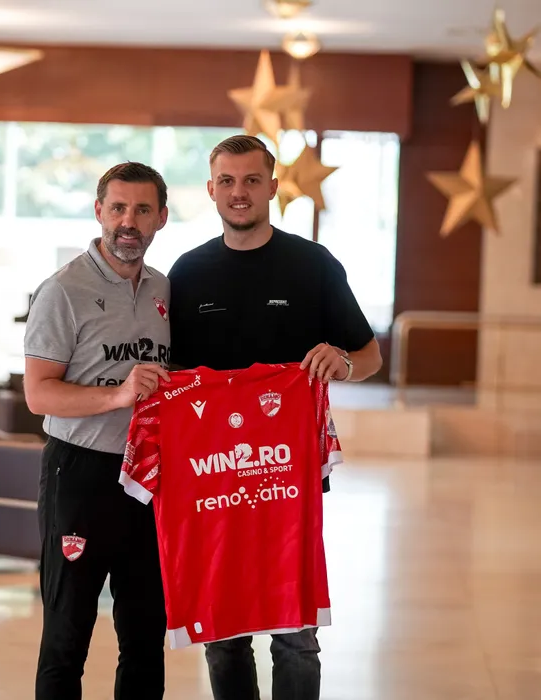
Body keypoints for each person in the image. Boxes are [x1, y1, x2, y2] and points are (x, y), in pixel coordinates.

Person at [167, 134, 383, 700]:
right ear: (211, 189)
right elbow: (173, 377)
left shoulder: (312, 265)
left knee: (295, 634)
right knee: (224, 636)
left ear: (273, 187)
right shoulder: (187, 273)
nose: (239, 192)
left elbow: (369, 356)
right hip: (214, 479)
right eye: (227, 181)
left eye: (252, 180)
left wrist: (342, 363)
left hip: (290, 476)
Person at [24, 161, 172, 700]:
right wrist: (118, 395)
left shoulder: (163, 288)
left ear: (161, 218)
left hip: (148, 479)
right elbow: (39, 394)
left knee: (145, 636)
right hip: (80, 474)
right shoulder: (63, 290)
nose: (128, 221)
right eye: (118, 208)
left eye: (142, 209)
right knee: (67, 636)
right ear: (99, 211)